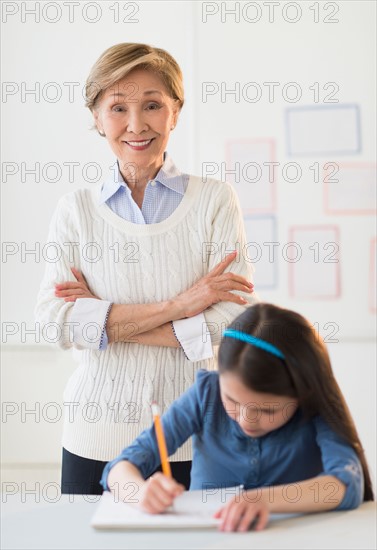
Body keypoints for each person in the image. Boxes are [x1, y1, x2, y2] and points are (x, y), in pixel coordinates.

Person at [34, 43, 258, 495]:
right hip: (95, 436)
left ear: (175, 112)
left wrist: (103, 320)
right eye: (118, 108)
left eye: (153, 105)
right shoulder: (75, 211)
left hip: (198, 439)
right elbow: (54, 323)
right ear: (97, 119)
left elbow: (234, 321)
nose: (137, 125)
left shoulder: (214, 200)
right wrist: (182, 305)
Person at [100, 303, 374, 532]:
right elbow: (118, 469)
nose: (246, 420)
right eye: (231, 400)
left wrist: (264, 500)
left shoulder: (313, 408)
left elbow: (347, 484)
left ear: (301, 395)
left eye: (268, 410)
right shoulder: (206, 394)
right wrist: (140, 493)